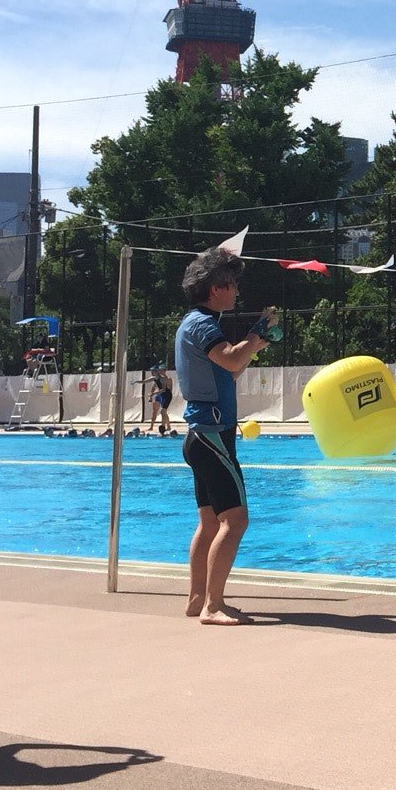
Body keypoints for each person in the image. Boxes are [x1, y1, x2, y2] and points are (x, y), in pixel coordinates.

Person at [174, 248, 279, 625]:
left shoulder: (193, 324)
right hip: (213, 435)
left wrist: (254, 345)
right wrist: (254, 333)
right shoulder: (203, 324)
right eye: (232, 285)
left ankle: (197, 598)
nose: (236, 292)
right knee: (235, 522)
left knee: (208, 523)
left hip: (201, 436)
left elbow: (229, 370)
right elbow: (233, 359)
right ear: (216, 288)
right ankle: (212, 607)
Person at [146, 366, 174, 436]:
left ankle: (165, 426)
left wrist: (167, 398)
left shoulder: (168, 379)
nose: (160, 372)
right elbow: (154, 387)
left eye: (161, 370)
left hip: (165, 395)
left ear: (164, 371)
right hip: (159, 395)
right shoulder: (158, 378)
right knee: (155, 411)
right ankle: (151, 426)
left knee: (163, 412)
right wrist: (151, 396)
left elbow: (170, 389)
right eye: (159, 371)